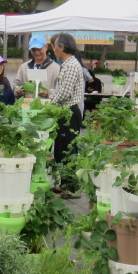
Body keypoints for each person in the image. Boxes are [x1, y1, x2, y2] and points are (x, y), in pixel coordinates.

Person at [50, 33, 85, 197]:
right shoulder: (68, 64)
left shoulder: (71, 65)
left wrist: (50, 104)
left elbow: (64, 92)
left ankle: (71, 188)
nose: (54, 49)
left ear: (62, 47)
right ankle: (64, 185)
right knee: (62, 148)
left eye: (55, 46)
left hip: (69, 111)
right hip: (66, 111)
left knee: (68, 150)